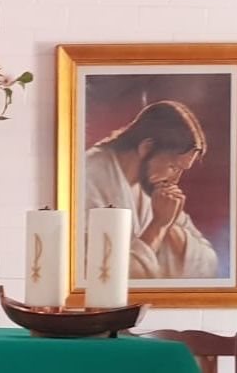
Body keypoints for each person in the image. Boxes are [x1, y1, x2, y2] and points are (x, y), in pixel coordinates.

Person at [85, 100, 218, 279]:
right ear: (146, 148)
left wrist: (169, 227)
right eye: (173, 167)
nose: (176, 179)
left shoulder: (153, 187)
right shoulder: (89, 175)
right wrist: (158, 225)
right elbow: (106, 276)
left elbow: (208, 263)